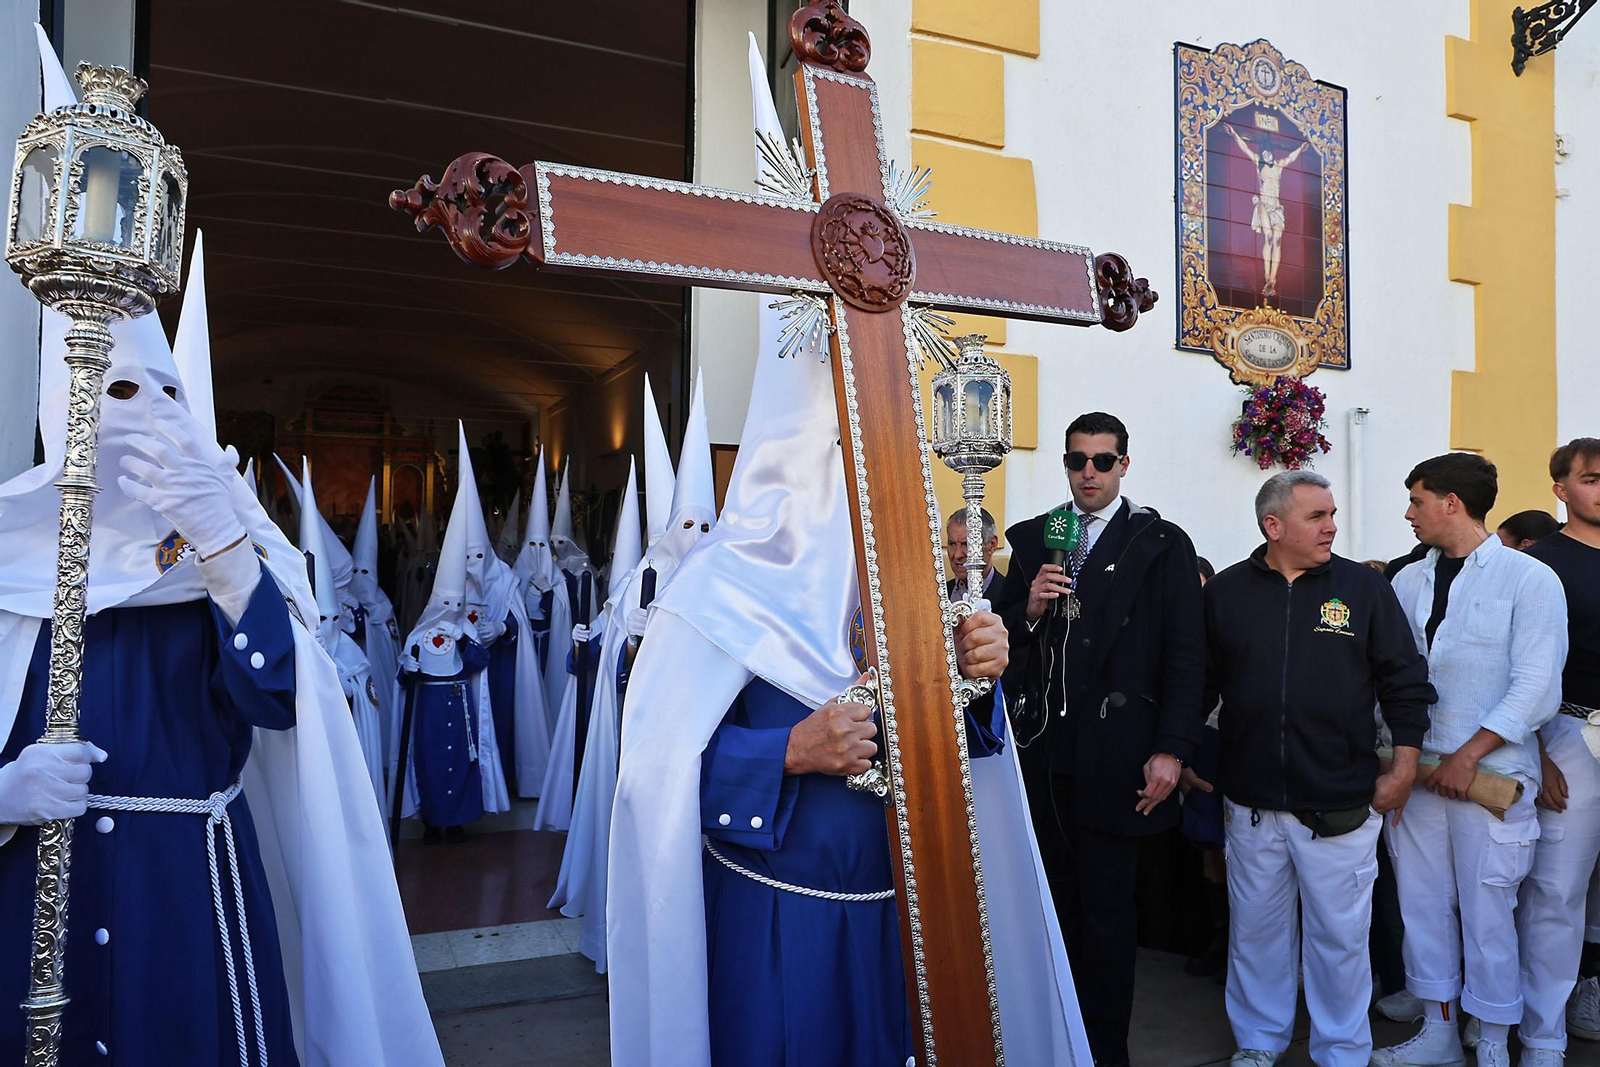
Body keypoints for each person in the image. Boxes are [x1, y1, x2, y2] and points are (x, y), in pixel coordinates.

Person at [606, 39, 1091, 1064]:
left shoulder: (903, 588)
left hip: (905, 920)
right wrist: (789, 747)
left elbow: (959, 751)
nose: (859, 473)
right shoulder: (712, 594)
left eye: (869, 446)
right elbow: (649, 775)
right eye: (834, 450)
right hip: (771, 918)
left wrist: (979, 680)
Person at [0, 143, 439, 1065]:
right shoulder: (10, 563)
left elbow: (276, 700)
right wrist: (2, 792)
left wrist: (228, 548)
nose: (146, 416)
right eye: (118, 391)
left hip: (189, 903)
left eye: (167, 394)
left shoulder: (215, 559)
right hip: (38, 897)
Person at [993, 410, 1207, 1066]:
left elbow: (1186, 653)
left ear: (1124, 464)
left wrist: (1173, 748)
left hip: (1122, 756)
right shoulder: (1037, 536)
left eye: (1103, 460)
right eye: (1078, 460)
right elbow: (991, 645)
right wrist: (1026, 609)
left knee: (1109, 918)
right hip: (1046, 754)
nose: (1090, 472)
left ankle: (1104, 1052)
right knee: (1050, 910)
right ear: (1065, 464)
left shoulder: (1159, 541)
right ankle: (1051, 1041)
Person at [1203, 472, 1435, 1067]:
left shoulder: (1361, 588)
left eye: (1331, 513)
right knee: (1255, 936)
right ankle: (1258, 1043)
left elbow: (1405, 682)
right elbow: (1197, 684)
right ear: (1273, 526)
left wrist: (1403, 767)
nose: (1332, 525)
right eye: (1317, 516)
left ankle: (1341, 1052)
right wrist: (1185, 756)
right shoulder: (1226, 592)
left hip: (1341, 802)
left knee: (1339, 943)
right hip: (1252, 805)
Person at [1374, 453, 1568, 1067]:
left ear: (1451, 503)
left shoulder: (1529, 579)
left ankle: (1491, 1042)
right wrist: (1401, 762)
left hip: (1493, 775)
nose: (1409, 513)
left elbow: (1536, 683)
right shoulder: (1407, 582)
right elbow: (1394, 677)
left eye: (1417, 500)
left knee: (1490, 908)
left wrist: (1470, 753)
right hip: (1418, 768)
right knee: (1422, 903)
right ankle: (1437, 1031)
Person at [1518, 438, 1600, 1064]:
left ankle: (1589, 990)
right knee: (1556, 892)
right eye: (1593, 479)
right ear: (1561, 489)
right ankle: (1542, 1033)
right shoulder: (1539, 564)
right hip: (1567, 733)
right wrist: (1537, 751)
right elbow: (1516, 667)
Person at [398, 428, 512, 843]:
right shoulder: (419, 633)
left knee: (461, 760)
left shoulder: (464, 626)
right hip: (429, 706)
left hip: (458, 702)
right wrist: (408, 666)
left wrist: (468, 639)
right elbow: (404, 676)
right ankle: (433, 820)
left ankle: (459, 819)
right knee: (431, 760)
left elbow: (480, 659)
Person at [947, 506, 1003, 602]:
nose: (957, 555)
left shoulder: (1011, 596)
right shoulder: (938, 593)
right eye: (952, 544)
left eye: (966, 544)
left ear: (992, 545)